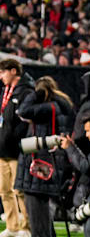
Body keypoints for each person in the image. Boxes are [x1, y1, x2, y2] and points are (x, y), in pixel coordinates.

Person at [15, 76, 74, 237]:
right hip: (52, 163)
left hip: (40, 168)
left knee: (38, 220)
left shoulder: (47, 107)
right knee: (44, 219)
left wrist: (36, 94)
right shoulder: (62, 104)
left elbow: (22, 110)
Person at [0, 58, 34, 237]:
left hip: (17, 150)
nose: (0, 76)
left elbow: (25, 123)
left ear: (13, 71)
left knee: (19, 190)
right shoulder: (4, 91)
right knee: (4, 190)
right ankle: (12, 226)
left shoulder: (26, 91)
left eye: (3, 72)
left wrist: (14, 139)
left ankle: (26, 226)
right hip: (2, 149)